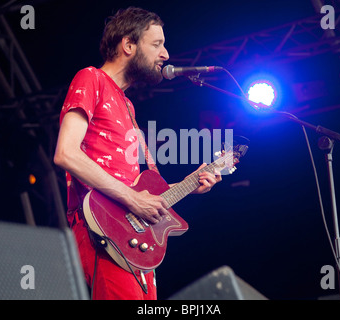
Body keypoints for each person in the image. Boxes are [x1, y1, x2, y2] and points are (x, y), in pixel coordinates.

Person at [53, 7, 221, 300]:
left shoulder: (128, 107)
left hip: (132, 240)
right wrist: (131, 198)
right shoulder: (91, 78)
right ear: (128, 45)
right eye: (157, 44)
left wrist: (189, 184)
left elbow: (141, 192)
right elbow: (66, 153)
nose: (166, 54)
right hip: (102, 231)